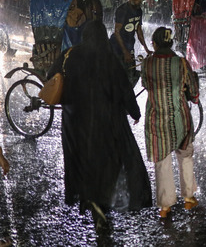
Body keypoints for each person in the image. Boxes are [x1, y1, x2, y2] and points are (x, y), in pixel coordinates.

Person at [47, 21, 152, 231]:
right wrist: (135, 112)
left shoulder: (70, 55)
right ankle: (100, 200)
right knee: (106, 162)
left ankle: (88, 196)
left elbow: (51, 78)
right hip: (107, 120)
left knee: (82, 159)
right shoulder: (109, 59)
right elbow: (124, 88)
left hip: (76, 121)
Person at [141, 27, 200, 218]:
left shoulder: (147, 64)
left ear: (155, 44)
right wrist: (194, 96)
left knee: (162, 161)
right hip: (180, 118)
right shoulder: (181, 63)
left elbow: (145, 84)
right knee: (185, 155)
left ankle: (165, 206)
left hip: (156, 119)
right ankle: (189, 198)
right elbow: (193, 90)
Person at [109, 0, 152, 85]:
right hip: (117, 48)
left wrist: (146, 48)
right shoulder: (122, 11)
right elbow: (117, 32)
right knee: (120, 77)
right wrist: (124, 52)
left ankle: (124, 97)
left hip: (129, 46)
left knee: (131, 76)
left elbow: (139, 30)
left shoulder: (138, 11)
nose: (139, 0)